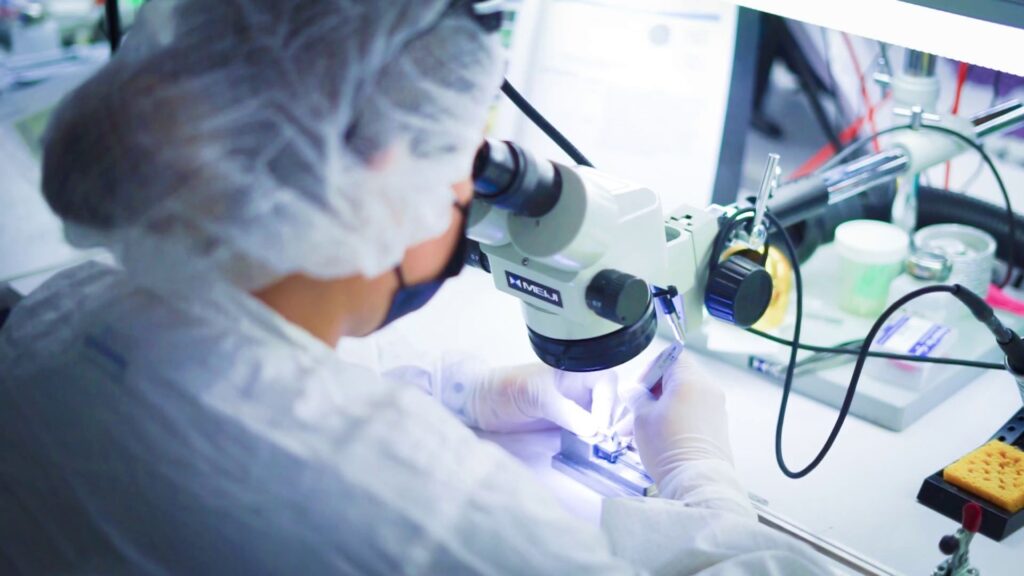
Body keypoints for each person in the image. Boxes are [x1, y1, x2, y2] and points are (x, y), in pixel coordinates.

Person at [0, 1, 833, 573]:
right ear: (383, 174)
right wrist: (702, 478)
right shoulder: (420, 515)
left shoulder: (63, 319)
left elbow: (253, 385)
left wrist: (480, 390)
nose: (467, 199)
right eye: (461, 162)